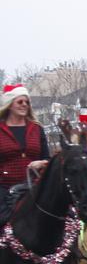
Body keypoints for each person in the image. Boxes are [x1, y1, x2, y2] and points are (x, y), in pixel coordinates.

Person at [0, 83, 49, 221]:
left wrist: (42, 163)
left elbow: (48, 158)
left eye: (27, 102)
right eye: (20, 101)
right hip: (4, 187)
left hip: (34, 187)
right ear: (9, 105)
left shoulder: (37, 129)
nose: (24, 105)